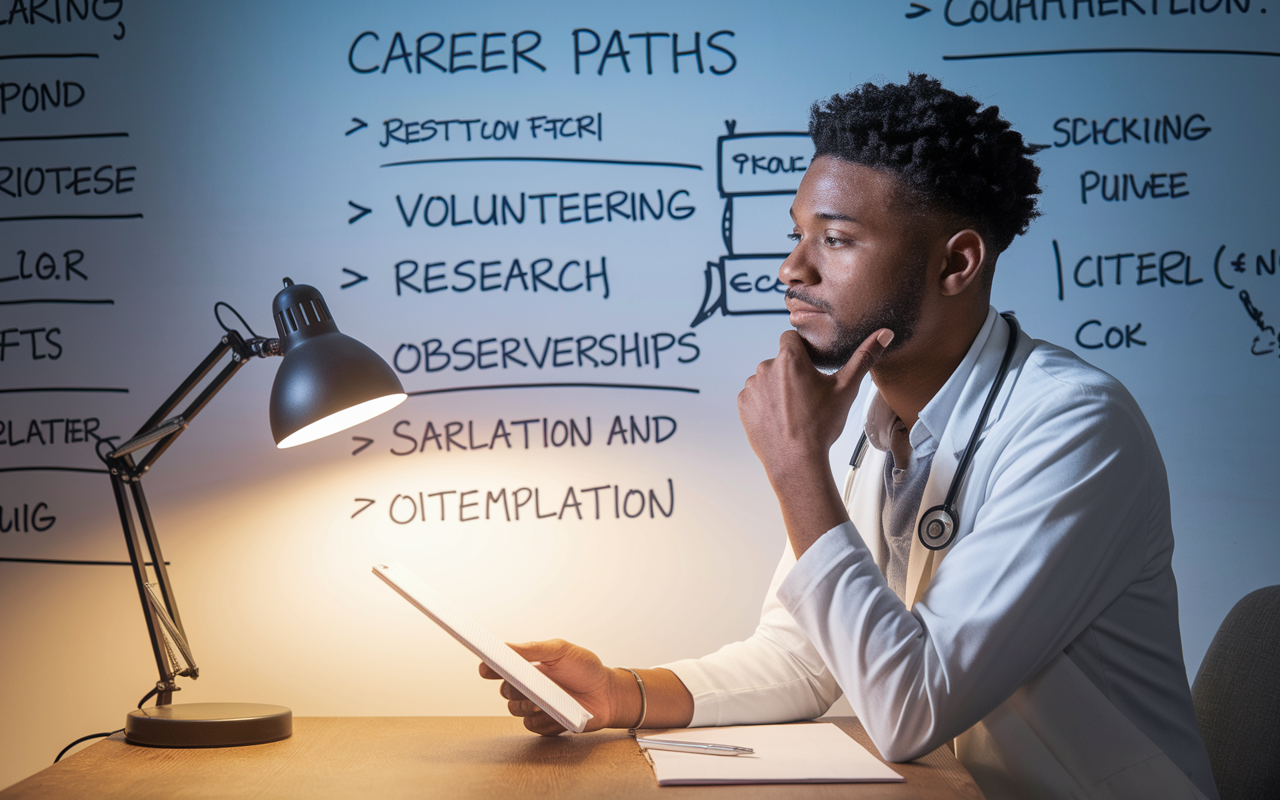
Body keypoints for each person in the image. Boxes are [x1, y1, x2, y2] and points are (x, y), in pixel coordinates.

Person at [480, 74, 1219, 800]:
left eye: (835, 239)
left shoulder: (1075, 427)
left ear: (956, 263)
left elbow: (909, 709)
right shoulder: (864, 422)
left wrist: (797, 467)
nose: (792, 269)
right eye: (798, 235)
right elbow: (807, 658)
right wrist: (619, 691)